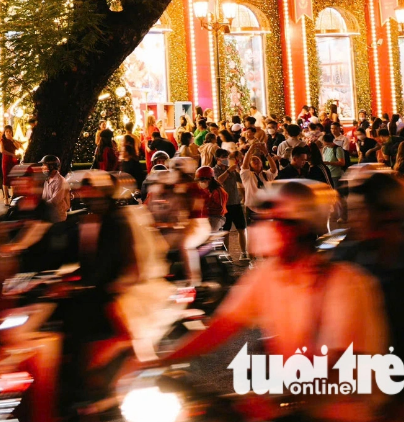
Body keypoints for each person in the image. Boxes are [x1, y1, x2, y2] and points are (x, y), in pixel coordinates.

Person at [164, 180, 388, 421]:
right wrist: (160, 363)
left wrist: (281, 402)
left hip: (340, 412)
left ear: (301, 228)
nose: (263, 228)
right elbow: (223, 326)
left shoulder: (344, 284)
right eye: (263, 219)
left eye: (275, 220)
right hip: (292, 408)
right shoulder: (267, 274)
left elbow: (341, 366)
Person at [335, 173, 404, 421]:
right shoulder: (347, 256)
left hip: (403, 403)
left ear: (388, 214)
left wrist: (403, 410)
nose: (353, 219)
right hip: (352, 400)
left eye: (361, 211)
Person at [39, 155, 70, 221]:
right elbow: (44, 198)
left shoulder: (60, 181)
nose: (42, 167)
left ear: (51, 166)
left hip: (57, 217)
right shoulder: (47, 180)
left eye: (44, 165)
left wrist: (40, 207)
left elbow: (55, 201)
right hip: (48, 215)